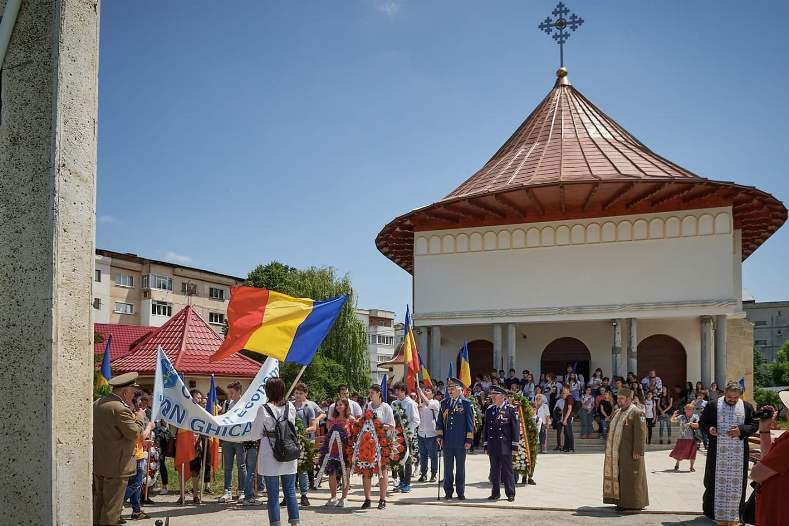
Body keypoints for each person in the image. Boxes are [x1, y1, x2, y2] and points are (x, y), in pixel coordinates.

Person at [699, 381, 757, 525]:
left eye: (735, 398)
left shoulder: (747, 407)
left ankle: (736, 513)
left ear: (740, 395)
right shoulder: (713, 405)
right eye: (729, 397)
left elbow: (754, 425)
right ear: (724, 392)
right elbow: (702, 422)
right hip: (717, 453)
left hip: (738, 454)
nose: (732, 400)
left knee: (738, 483)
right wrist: (710, 429)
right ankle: (712, 513)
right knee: (713, 481)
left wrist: (741, 430)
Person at [93, 372, 145, 526]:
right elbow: (134, 433)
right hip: (117, 466)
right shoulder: (120, 409)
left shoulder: (98, 403)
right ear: (125, 392)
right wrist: (140, 417)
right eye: (133, 392)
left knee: (99, 506)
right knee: (112, 510)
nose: (133, 396)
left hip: (100, 463)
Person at [251, 377, 299, 526]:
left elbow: (255, 435)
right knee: (290, 491)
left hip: (270, 453)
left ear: (268, 391)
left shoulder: (263, 408)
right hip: (289, 450)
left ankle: (276, 523)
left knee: (272, 494)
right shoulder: (290, 406)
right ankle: (295, 522)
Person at [603, 387, 649, 511]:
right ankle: (622, 502)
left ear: (629, 399)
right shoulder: (618, 412)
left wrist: (638, 451)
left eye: (622, 399)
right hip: (618, 453)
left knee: (632, 478)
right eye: (618, 398)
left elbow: (641, 433)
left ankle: (634, 503)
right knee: (622, 478)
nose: (619, 401)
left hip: (631, 452)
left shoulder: (638, 413)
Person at [750, 390, 789, 526]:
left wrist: (759, 465)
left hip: (779, 512)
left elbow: (757, 474)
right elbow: (769, 458)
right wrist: (764, 430)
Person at [436, 377, 474, 500]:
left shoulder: (466, 404)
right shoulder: (444, 403)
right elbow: (440, 421)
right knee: (448, 468)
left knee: (460, 468)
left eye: (453, 389)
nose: (450, 391)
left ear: (459, 390)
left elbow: (470, 423)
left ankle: (460, 491)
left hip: (461, 442)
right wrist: (440, 436)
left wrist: (468, 440)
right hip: (447, 442)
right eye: (449, 389)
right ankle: (448, 491)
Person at [483, 386, 520, 502]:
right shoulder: (490, 410)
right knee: (494, 470)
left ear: (503, 396)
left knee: (507, 470)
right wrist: (485, 444)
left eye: (496, 394)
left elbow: (515, 429)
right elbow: (486, 429)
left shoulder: (511, 409)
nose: (493, 397)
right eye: (492, 395)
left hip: (506, 446)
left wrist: (514, 445)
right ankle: (495, 493)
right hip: (493, 445)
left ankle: (510, 493)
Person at [123, 391, 156, 520]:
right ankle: (117, 505)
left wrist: (145, 441)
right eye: (138, 402)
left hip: (138, 452)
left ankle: (136, 511)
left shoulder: (134, 414)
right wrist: (149, 426)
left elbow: (137, 437)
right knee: (136, 484)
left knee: (135, 486)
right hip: (135, 455)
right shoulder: (135, 415)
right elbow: (140, 434)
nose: (142, 405)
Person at [362, 383, 395, 509]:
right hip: (367, 442)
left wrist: (378, 425)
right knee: (366, 470)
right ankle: (367, 499)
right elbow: (362, 421)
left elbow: (392, 426)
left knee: (382, 470)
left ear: (379, 394)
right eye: (369, 393)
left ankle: (382, 499)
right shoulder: (367, 406)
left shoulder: (386, 407)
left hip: (382, 442)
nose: (370, 395)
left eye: (372, 393)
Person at [320, 398, 353, 508]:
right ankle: (333, 497)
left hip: (346, 451)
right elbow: (328, 436)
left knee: (345, 474)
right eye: (337, 405)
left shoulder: (351, 419)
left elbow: (353, 435)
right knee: (332, 474)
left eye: (341, 405)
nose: (338, 407)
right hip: (333, 452)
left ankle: (344, 497)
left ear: (346, 406)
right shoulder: (331, 420)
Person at [219, 381, 247, 504]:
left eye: (232, 393)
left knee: (241, 466)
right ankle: (227, 491)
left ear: (239, 391)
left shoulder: (246, 404)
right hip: (227, 440)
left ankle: (242, 491)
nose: (230, 395)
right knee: (228, 466)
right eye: (229, 392)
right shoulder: (226, 404)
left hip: (240, 440)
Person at [290, 383, 317, 507]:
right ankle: (288, 495)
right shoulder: (289, 406)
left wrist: (300, 431)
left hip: (303, 442)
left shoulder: (308, 408)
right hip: (290, 442)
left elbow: (313, 427)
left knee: (302, 470)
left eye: (301, 393)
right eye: (296, 393)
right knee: (289, 470)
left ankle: (304, 495)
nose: (298, 395)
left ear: (305, 394)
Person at [391, 381, 420, 493]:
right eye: (395, 390)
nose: (396, 392)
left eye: (398, 390)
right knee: (397, 459)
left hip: (407, 435)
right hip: (395, 436)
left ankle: (407, 483)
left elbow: (416, 420)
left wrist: (407, 429)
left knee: (407, 459)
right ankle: (401, 481)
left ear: (403, 391)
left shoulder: (410, 403)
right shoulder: (394, 403)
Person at [416, 385, 440, 482]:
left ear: (433, 394)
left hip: (432, 433)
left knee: (433, 455)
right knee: (423, 455)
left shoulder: (435, 402)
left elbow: (429, 404)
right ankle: (423, 473)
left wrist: (421, 394)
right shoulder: (421, 403)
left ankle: (433, 474)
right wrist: (418, 405)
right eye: (425, 390)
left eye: (428, 391)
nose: (425, 392)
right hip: (421, 433)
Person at [670, 403, 700, 472]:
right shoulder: (681, 417)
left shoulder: (695, 416)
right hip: (682, 437)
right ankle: (677, 464)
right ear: (685, 410)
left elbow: (698, 425)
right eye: (687, 409)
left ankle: (691, 467)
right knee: (679, 452)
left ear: (693, 410)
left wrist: (691, 424)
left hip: (692, 438)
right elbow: (672, 420)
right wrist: (673, 415)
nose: (688, 410)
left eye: (690, 409)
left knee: (693, 453)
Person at [560, 386, 575, 453]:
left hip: (568, 418)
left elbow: (569, 409)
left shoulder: (570, 397)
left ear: (568, 389)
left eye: (564, 389)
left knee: (569, 433)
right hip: (566, 417)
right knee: (566, 432)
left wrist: (565, 419)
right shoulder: (567, 398)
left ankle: (570, 447)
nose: (563, 390)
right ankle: (566, 447)